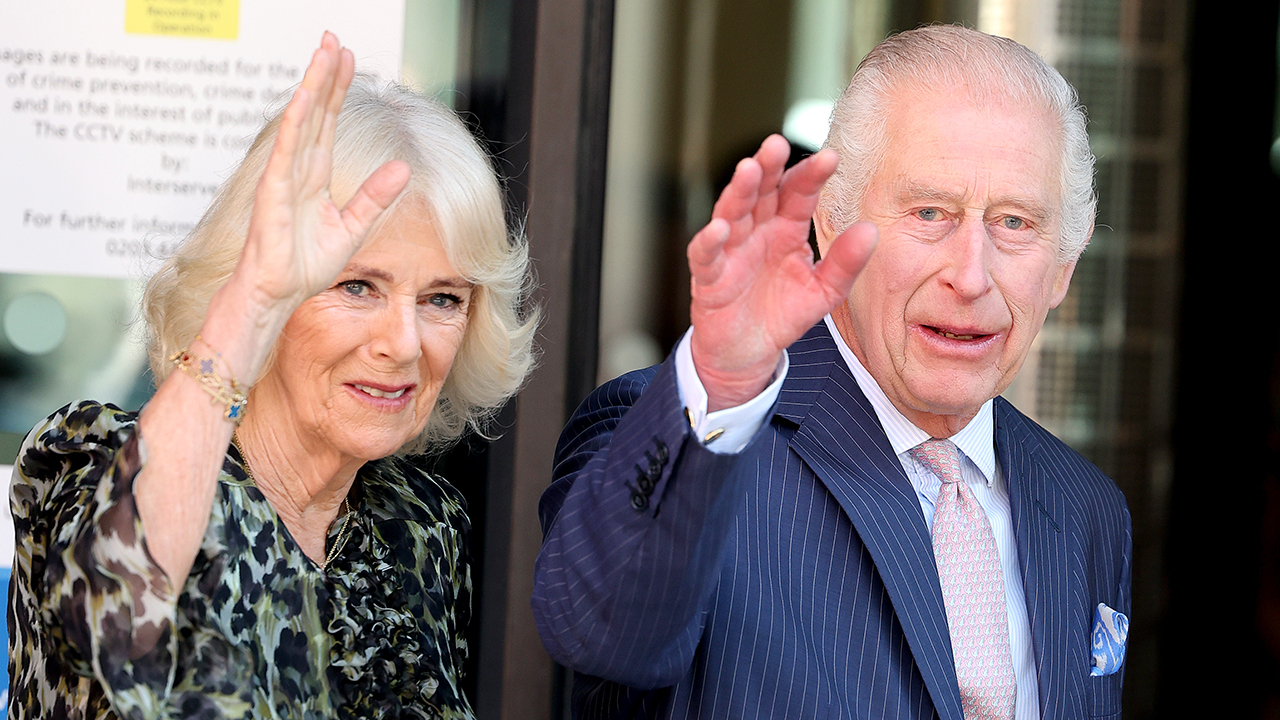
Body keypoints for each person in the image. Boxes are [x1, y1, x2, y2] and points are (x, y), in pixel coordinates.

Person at [532, 25, 1130, 720]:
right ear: (830, 222)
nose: (971, 275)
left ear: (1065, 264)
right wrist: (721, 382)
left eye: (1016, 223)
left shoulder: (1088, 508)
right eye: (929, 212)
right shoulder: (701, 433)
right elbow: (599, 632)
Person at [8, 33, 535, 719]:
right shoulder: (100, 469)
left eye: (442, 299)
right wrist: (252, 301)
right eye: (356, 286)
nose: (403, 343)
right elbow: (114, 620)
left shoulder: (422, 525)